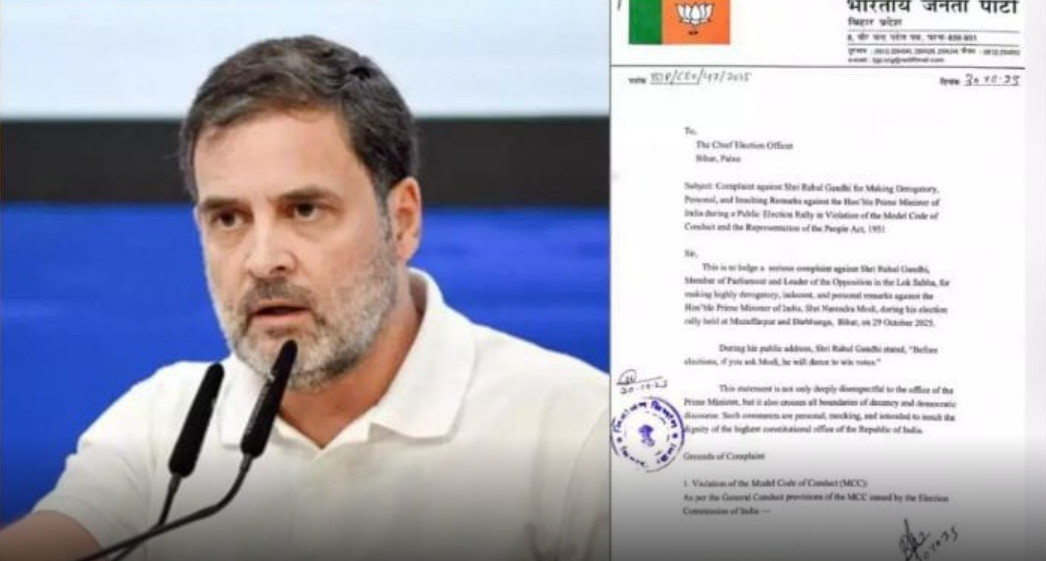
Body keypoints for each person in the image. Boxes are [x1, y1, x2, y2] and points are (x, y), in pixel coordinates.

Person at [0, 35, 608, 561]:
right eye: (229, 219)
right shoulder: (165, 425)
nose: (263, 259)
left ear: (402, 220)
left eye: (305, 210)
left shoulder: (578, 431)